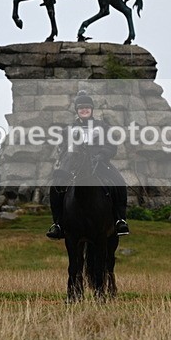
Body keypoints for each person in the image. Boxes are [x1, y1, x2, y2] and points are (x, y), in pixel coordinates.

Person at [47, 90, 130, 239]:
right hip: (74, 166)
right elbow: (64, 148)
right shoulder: (69, 129)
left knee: (119, 182)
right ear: (77, 111)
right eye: (80, 108)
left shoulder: (103, 126)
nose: (84, 110)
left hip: (99, 164)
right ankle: (58, 224)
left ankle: (119, 220)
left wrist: (101, 155)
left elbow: (111, 146)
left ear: (91, 109)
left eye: (86, 107)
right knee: (55, 187)